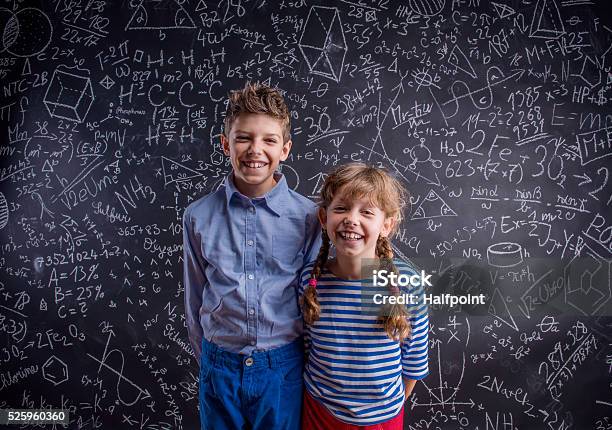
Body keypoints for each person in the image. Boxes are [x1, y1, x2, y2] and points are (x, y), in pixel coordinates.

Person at [183, 82, 322, 429]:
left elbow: (314, 299)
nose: (255, 150)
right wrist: (212, 361)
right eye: (243, 138)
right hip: (219, 367)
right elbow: (195, 296)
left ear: (285, 149)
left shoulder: (309, 218)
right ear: (226, 144)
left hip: (283, 368)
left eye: (269, 140)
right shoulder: (197, 217)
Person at [300, 163, 429, 429]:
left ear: (387, 225)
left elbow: (413, 362)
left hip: (383, 419)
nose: (352, 219)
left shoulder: (403, 282)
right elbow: (305, 347)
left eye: (367, 211)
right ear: (324, 219)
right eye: (341, 208)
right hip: (319, 413)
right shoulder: (311, 280)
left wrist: (384, 412)